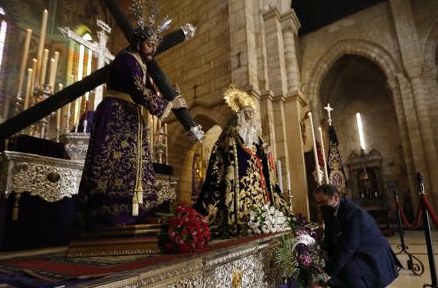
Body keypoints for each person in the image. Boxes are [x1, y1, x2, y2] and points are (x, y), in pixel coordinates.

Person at [77, 25, 187, 229]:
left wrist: (170, 96)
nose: (152, 49)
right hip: (116, 116)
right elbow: (138, 91)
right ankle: (112, 216)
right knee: (115, 164)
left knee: (135, 164)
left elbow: (150, 90)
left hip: (131, 117)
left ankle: (135, 212)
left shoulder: (141, 64)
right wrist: (170, 105)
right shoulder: (126, 59)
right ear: (138, 43)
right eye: (149, 45)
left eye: (155, 45)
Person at [194, 85, 289, 238]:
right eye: (248, 111)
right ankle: (238, 221)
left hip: (257, 179)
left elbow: (259, 151)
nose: (251, 114)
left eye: (253, 111)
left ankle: (264, 219)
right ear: (242, 113)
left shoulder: (255, 133)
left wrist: (265, 151)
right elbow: (226, 150)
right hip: (240, 176)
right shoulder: (233, 131)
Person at [314, 184, 400, 288]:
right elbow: (330, 239)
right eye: (318, 203)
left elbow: (347, 248)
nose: (320, 206)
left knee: (347, 268)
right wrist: (315, 251)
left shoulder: (353, 213)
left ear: (335, 197)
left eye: (322, 202)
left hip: (373, 254)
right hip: (358, 251)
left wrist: (325, 275)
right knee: (328, 263)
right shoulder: (328, 212)